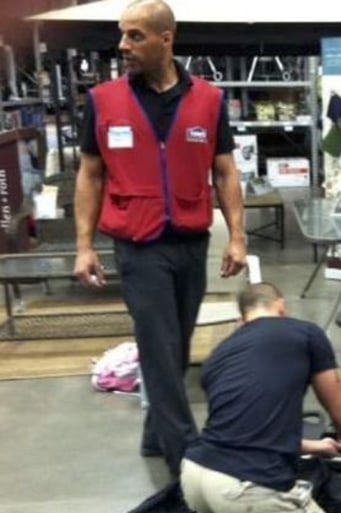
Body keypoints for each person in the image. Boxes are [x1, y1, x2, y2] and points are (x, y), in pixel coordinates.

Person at [74, 0, 247, 476]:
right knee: (158, 344)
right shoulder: (104, 101)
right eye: (122, 35)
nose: (123, 45)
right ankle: (186, 458)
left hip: (191, 241)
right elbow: (90, 175)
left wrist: (237, 237)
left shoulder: (208, 101)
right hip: (137, 244)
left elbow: (225, 171)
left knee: (175, 345)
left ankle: (155, 436)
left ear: (166, 39)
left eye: (135, 36)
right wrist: (84, 245)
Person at [179, 282, 341, 513]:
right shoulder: (304, 332)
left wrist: (317, 447)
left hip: (197, 473)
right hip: (246, 485)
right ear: (282, 307)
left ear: (241, 320)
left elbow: (245, 427)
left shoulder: (218, 356)